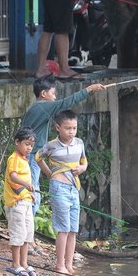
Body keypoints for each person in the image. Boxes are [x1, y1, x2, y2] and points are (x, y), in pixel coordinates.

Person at [21, 75, 105, 218]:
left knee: (31, 191)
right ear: (43, 94)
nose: (55, 97)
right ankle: (28, 235)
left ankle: (27, 233)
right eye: (53, 93)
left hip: (29, 155)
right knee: (33, 194)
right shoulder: (43, 106)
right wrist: (89, 89)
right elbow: (67, 102)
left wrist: (49, 173)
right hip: (31, 156)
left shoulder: (35, 108)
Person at [35, 109, 86, 275]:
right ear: (58, 127)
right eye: (68, 128)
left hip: (74, 189)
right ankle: (60, 265)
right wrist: (50, 174)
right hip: (59, 188)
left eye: (74, 128)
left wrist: (82, 168)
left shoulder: (79, 143)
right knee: (63, 228)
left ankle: (69, 265)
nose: (71, 132)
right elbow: (38, 158)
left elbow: (84, 161)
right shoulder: (51, 145)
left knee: (73, 229)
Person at [3, 127, 37, 276]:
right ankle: (15, 264)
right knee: (18, 233)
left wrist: (30, 194)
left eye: (31, 145)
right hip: (16, 203)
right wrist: (25, 184)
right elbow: (13, 176)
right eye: (26, 144)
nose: (29, 148)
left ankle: (24, 263)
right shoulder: (14, 158)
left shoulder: (24, 159)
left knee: (28, 233)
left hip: (26, 201)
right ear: (17, 142)